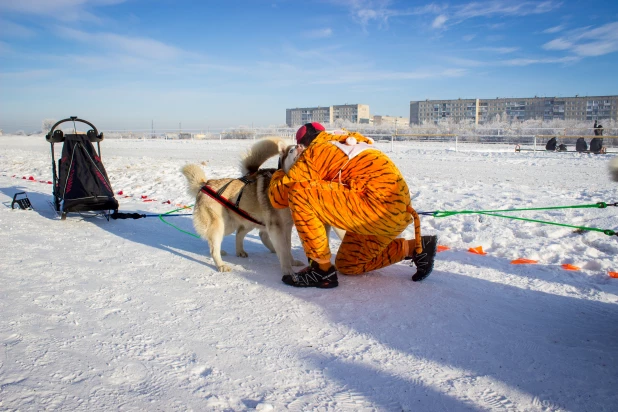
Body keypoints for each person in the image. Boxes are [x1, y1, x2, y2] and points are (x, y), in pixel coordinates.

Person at [268, 122, 437, 288]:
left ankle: (321, 270)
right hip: (396, 213)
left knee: (300, 193)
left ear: (303, 144)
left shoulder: (315, 152)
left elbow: (278, 197)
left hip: (373, 206)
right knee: (348, 264)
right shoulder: (348, 142)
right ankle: (416, 248)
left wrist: (280, 171)